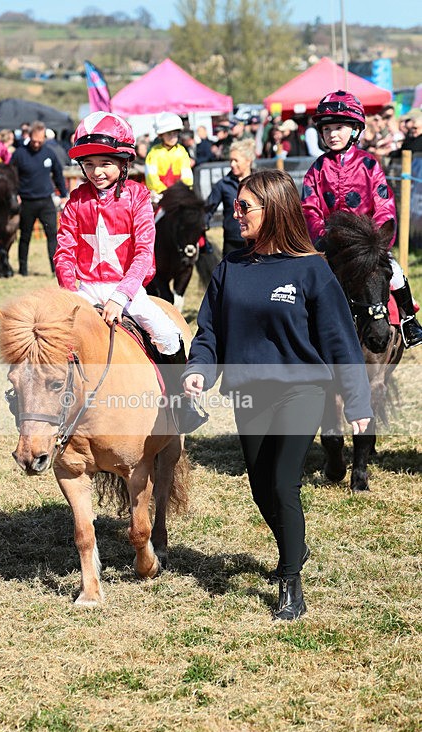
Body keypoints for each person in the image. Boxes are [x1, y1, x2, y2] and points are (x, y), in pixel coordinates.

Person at [181, 169, 373, 621]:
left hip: (301, 390)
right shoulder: (230, 269)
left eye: (245, 206)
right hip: (248, 394)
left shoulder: (311, 270)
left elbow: (340, 340)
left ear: (276, 210)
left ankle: (290, 579)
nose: (236, 213)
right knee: (260, 485)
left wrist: (358, 402)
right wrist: (198, 371)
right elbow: (209, 333)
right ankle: (296, 544)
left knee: (285, 481)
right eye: (237, 206)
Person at [53, 111, 206, 433]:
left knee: (167, 334)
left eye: (105, 163)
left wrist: (120, 297)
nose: (97, 172)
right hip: (82, 289)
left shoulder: (138, 198)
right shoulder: (75, 201)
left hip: (127, 288)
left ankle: (181, 404)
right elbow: (64, 252)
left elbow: (142, 253)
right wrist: (74, 293)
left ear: (123, 164)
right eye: (90, 164)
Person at [302, 90, 422, 348]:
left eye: (339, 127)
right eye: (327, 129)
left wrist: (376, 240)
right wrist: (321, 237)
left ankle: (409, 320)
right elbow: (309, 207)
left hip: (367, 245)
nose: (332, 134)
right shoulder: (316, 170)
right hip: (330, 246)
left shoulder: (370, 164)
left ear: (355, 129)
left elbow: (384, 204)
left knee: (396, 272)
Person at [10, 120, 68, 276]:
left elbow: (58, 175)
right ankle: (23, 270)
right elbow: (12, 176)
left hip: (46, 201)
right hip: (27, 201)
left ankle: (55, 270)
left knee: (52, 236)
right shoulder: (19, 154)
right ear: (30, 136)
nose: (36, 144)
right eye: (34, 141)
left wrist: (63, 195)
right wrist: (15, 194)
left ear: (44, 138)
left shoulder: (49, 153)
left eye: (40, 141)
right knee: (25, 237)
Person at [205, 138, 256, 255]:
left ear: (248, 161)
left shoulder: (260, 182)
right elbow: (207, 210)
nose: (232, 164)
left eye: (236, 160)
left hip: (257, 240)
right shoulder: (222, 184)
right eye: (231, 160)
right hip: (232, 241)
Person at [145, 112, 193, 204]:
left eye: (175, 133)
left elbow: (187, 175)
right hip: (160, 196)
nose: (172, 137)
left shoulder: (182, 151)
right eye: (169, 134)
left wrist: (182, 190)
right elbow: (151, 178)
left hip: (180, 194)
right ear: (160, 135)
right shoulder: (154, 153)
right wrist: (166, 192)